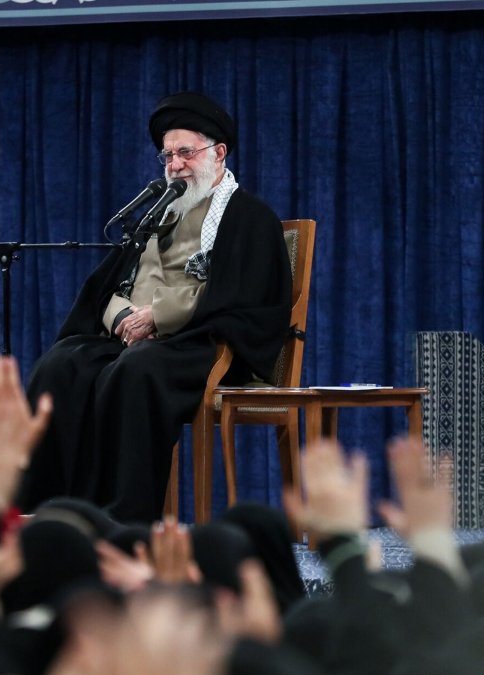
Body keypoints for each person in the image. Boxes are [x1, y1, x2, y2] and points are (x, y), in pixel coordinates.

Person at [17, 91, 292, 523]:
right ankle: (51, 510)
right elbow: (112, 283)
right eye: (167, 156)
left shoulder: (248, 217)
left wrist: (155, 317)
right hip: (141, 338)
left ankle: (122, 518)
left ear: (218, 153)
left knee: (134, 371)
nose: (175, 165)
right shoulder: (158, 214)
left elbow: (235, 295)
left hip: (204, 342)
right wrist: (123, 316)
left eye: (185, 152)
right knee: (62, 365)